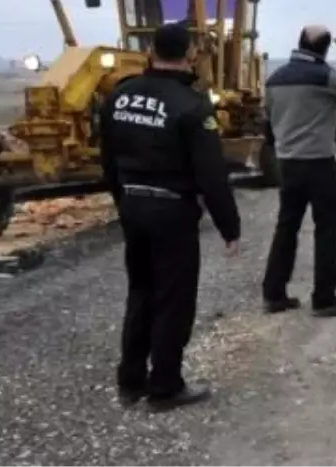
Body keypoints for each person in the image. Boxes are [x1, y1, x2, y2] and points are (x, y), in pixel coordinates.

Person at [99, 23, 241, 412]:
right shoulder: (192, 105)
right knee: (174, 299)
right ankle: (165, 385)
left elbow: (107, 161)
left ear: (151, 50)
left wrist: (123, 201)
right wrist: (230, 227)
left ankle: (130, 381)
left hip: (133, 206)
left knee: (141, 290)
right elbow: (211, 174)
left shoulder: (120, 96)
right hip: (171, 211)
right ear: (191, 54)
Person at [262, 26, 336, 317]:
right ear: (324, 50)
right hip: (320, 164)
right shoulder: (323, 77)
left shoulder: (274, 80)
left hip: (287, 164)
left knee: (286, 227)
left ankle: (274, 294)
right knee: (327, 231)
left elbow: (269, 123)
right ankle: (324, 299)